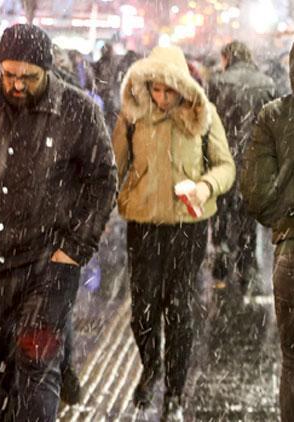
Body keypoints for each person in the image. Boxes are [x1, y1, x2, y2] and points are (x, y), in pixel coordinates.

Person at [0, 24, 117, 421]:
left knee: (36, 367)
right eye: (9, 74)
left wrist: (75, 248)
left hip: (48, 265)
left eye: (27, 77)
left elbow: (103, 181)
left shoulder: (78, 110)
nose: (16, 85)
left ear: (46, 70)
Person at [113, 46, 235, 420]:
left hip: (188, 227)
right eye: (156, 89)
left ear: (183, 87)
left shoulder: (204, 115)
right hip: (143, 225)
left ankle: (175, 395)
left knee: (179, 310)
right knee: (144, 311)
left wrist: (206, 186)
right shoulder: (132, 116)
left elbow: (226, 166)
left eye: (170, 90)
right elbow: (114, 166)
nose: (162, 98)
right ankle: (151, 366)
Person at [240, 41, 294, 422]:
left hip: (292, 252)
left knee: (292, 362)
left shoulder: (274, 116)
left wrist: (287, 218)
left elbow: (257, 194)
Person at [207, 41, 276, 294]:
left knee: (222, 215)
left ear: (227, 57)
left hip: (223, 158)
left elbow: (208, 124)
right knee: (248, 219)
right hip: (255, 162)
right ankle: (246, 269)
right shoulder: (267, 83)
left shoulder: (218, 82)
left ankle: (222, 267)